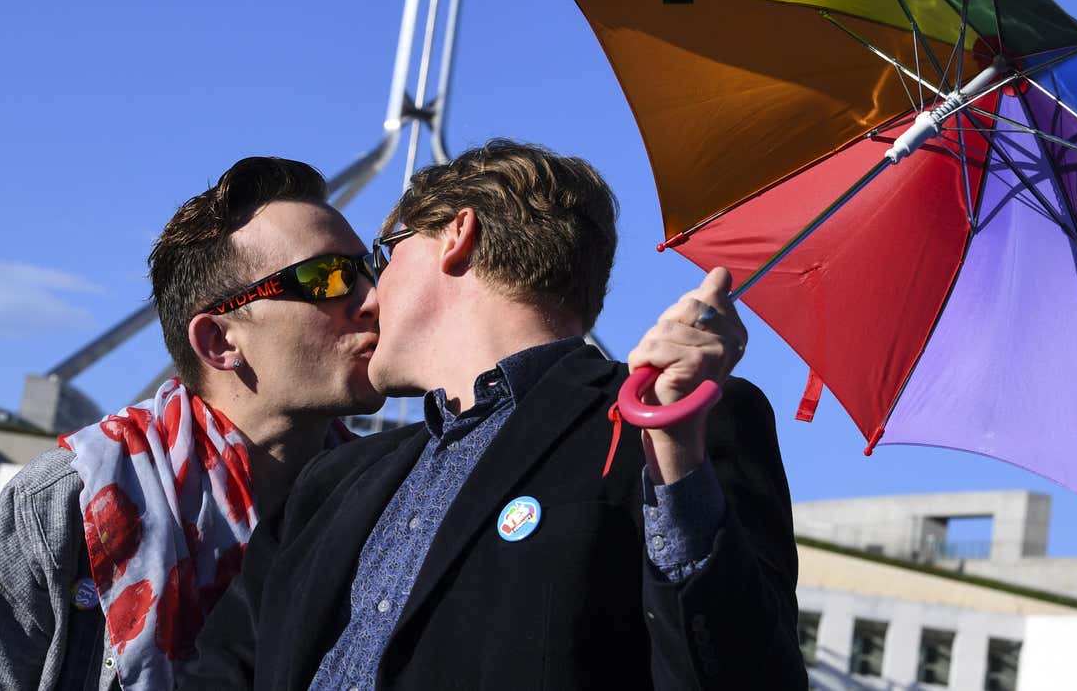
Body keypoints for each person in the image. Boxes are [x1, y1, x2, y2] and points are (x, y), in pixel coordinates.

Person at [181, 140, 804, 690]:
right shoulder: (331, 482)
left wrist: (675, 458)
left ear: (457, 236)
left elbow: (749, 673)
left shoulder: (679, 425)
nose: (368, 296)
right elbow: (223, 671)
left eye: (384, 255)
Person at [0, 157, 382, 691]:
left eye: (369, 269)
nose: (372, 299)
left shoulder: (392, 507)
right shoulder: (66, 504)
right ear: (219, 341)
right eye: (325, 278)